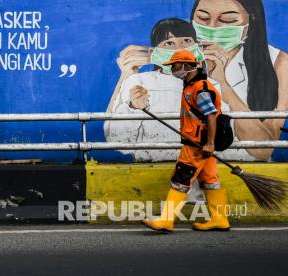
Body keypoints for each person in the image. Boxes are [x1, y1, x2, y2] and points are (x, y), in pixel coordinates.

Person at [140, 49, 230, 233]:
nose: (173, 69)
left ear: (187, 66)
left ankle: (166, 220)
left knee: (180, 180)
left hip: (197, 145)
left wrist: (210, 143)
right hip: (201, 144)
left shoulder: (200, 88)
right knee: (211, 180)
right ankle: (219, 219)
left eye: (175, 66)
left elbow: (211, 115)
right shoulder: (190, 86)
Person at [190, 0, 288, 161]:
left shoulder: (279, 62)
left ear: (252, 20)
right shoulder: (178, 60)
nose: (212, 28)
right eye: (203, 18)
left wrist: (222, 84)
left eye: (227, 20)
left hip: (248, 168)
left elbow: (263, 150)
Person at [105, 18, 205, 162]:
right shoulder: (137, 81)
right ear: (154, 52)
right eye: (169, 43)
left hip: (196, 166)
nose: (180, 48)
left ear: (198, 48)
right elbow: (117, 140)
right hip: (149, 167)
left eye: (186, 41)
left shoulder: (209, 85)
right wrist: (133, 108)